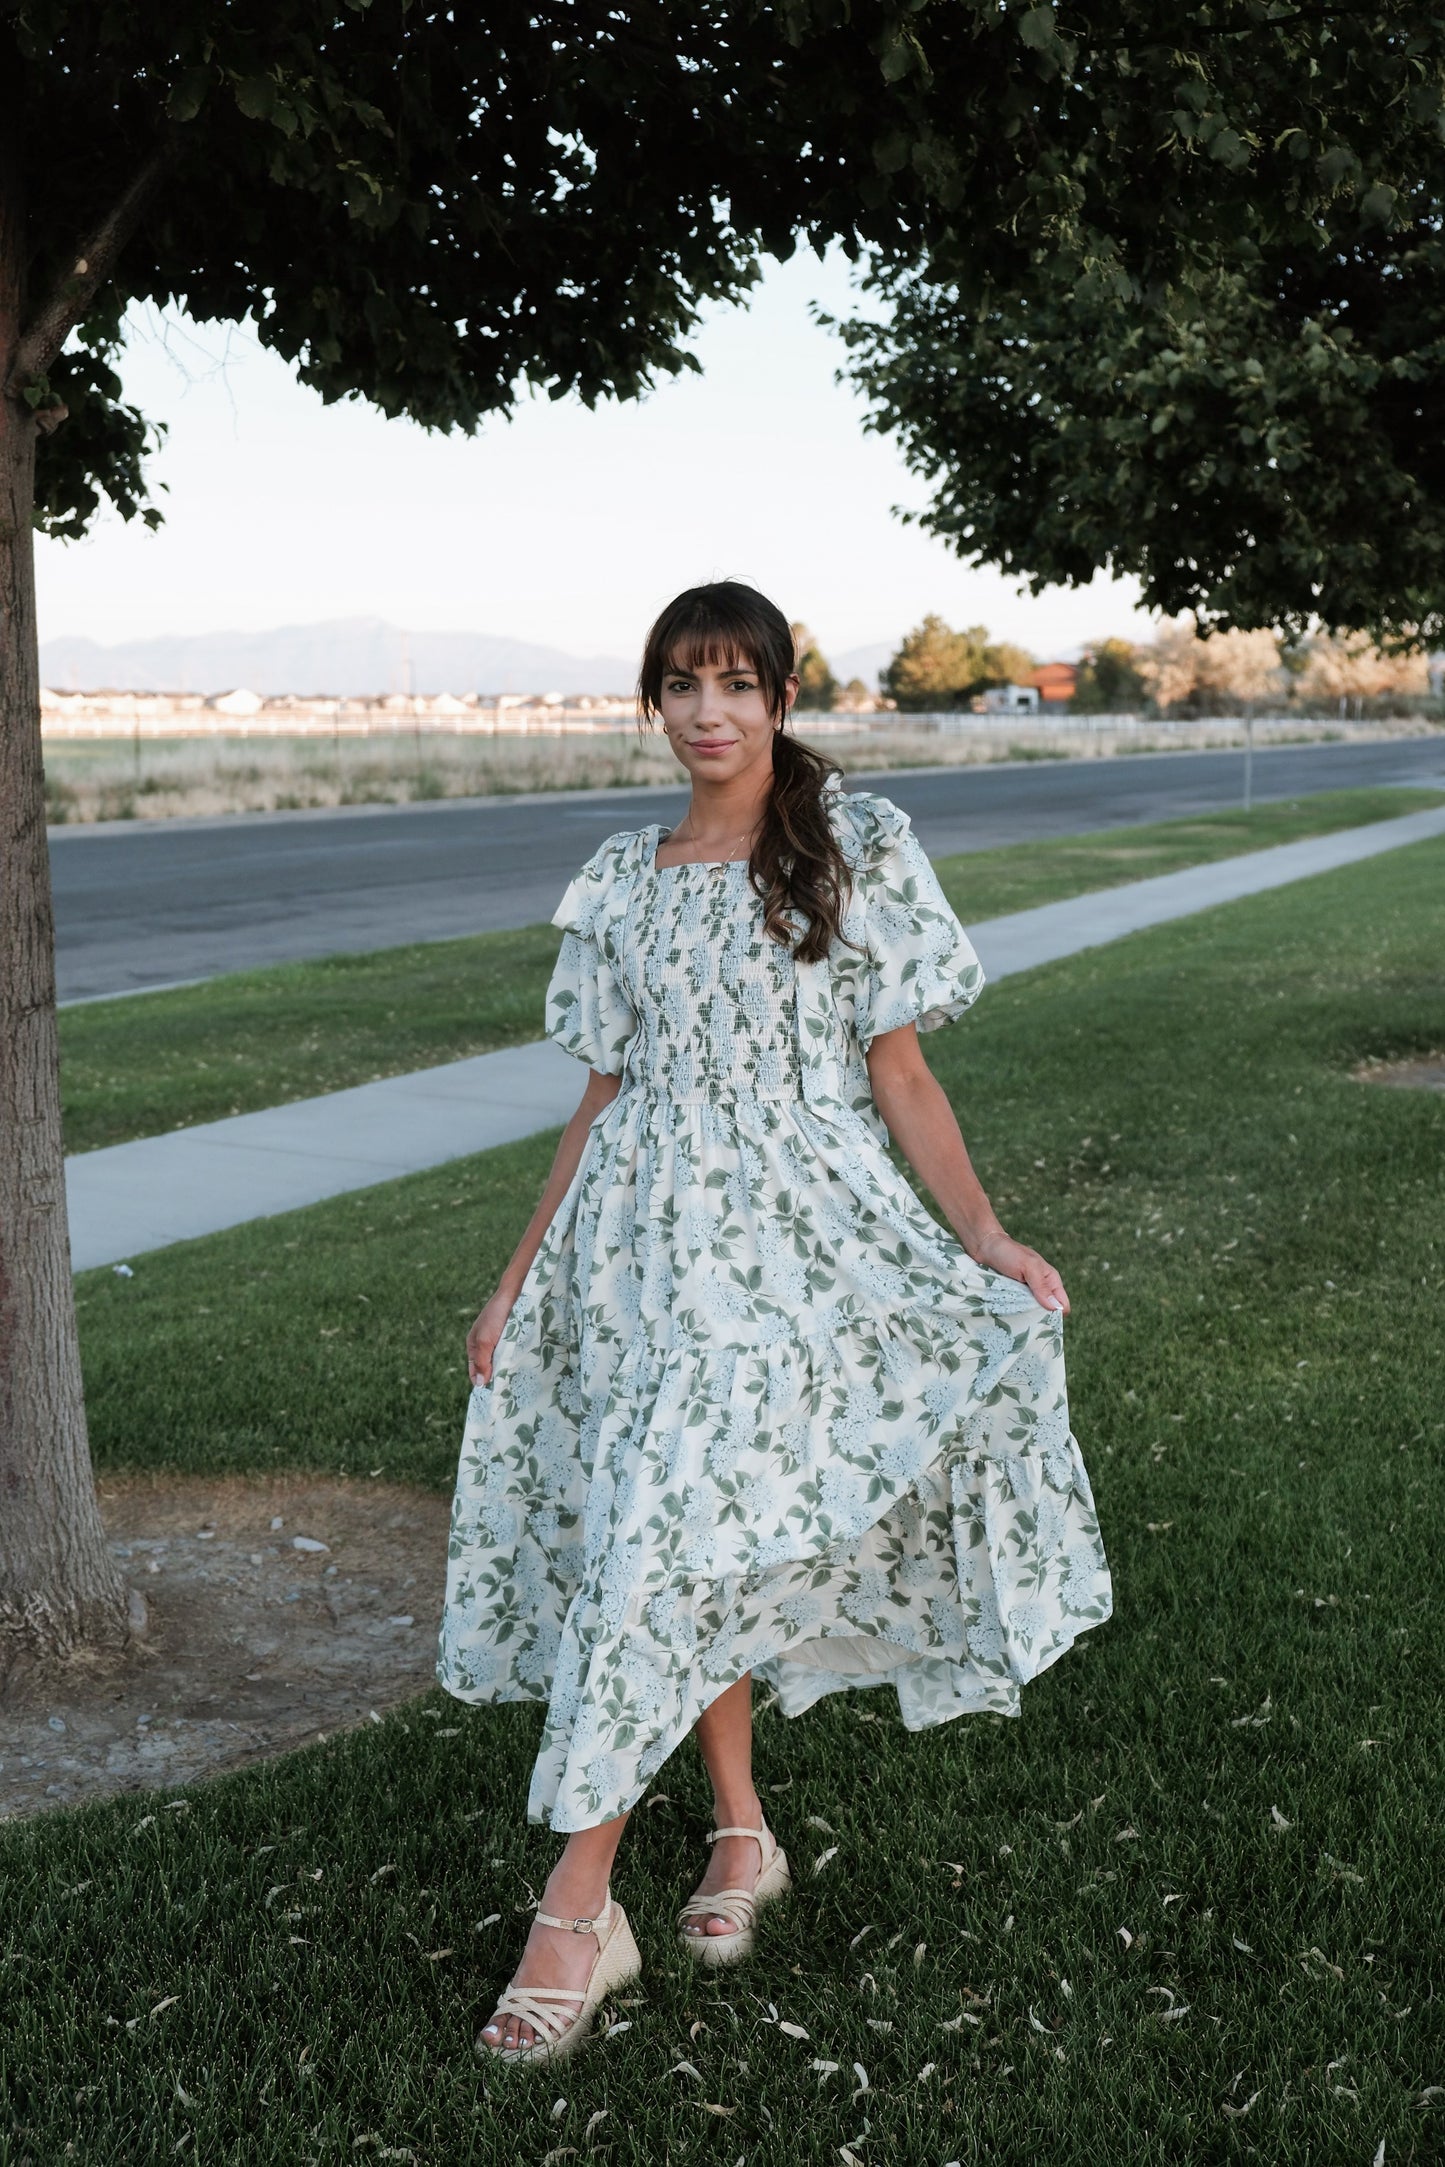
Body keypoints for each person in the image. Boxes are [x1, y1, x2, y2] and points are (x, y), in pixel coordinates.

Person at [436, 581, 1113, 2063]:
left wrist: (984, 1237)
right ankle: (741, 1835)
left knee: (669, 1538)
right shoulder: (622, 874)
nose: (706, 711)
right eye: (680, 683)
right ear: (654, 701)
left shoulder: (852, 844)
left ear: (782, 699)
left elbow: (904, 1076)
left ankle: (576, 1910)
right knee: (680, 1533)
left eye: (736, 682)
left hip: (802, 1242)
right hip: (637, 1250)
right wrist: (513, 1276)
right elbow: (600, 1091)